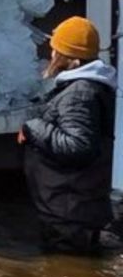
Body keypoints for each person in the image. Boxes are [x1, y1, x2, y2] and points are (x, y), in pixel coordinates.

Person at [19, 16, 118, 254]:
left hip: (69, 213)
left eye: (57, 51)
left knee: (64, 266)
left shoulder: (80, 93)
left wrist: (33, 128)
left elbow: (79, 146)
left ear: (72, 60)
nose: (52, 55)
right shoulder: (86, 88)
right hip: (72, 208)